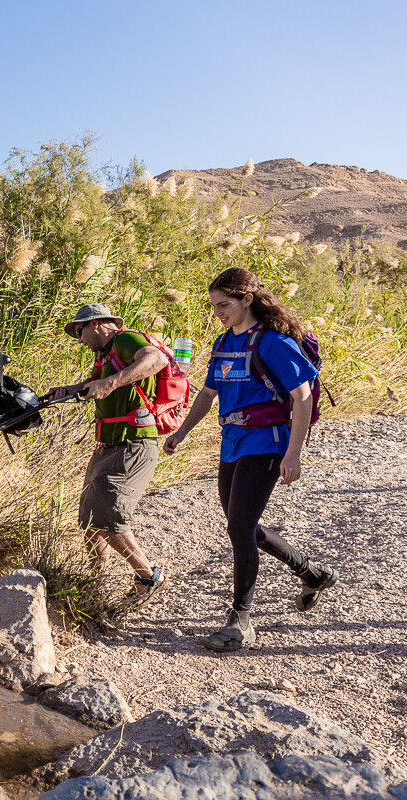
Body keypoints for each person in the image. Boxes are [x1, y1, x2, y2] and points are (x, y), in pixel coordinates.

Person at [164, 267, 337, 652]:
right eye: (214, 306)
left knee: (240, 525)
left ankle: (240, 620)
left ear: (247, 299)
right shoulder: (224, 341)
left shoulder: (273, 342)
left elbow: (303, 396)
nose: (218, 312)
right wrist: (182, 432)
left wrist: (293, 453)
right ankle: (311, 572)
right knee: (241, 525)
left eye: (224, 304)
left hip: (268, 442)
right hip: (233, 441)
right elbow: (208, 394)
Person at [46, 303, 170, 605]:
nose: (80, 339)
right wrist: (70, 390)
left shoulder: (125, 340)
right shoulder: (105, 357)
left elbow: (156, 359)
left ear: (98, 324)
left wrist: (112, 381)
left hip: (133, 443)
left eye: (80, 331)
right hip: (109, 445)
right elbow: (96, 387)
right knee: (90, 516)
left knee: (110, 515)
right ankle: (94, 583)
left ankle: (148, 577)